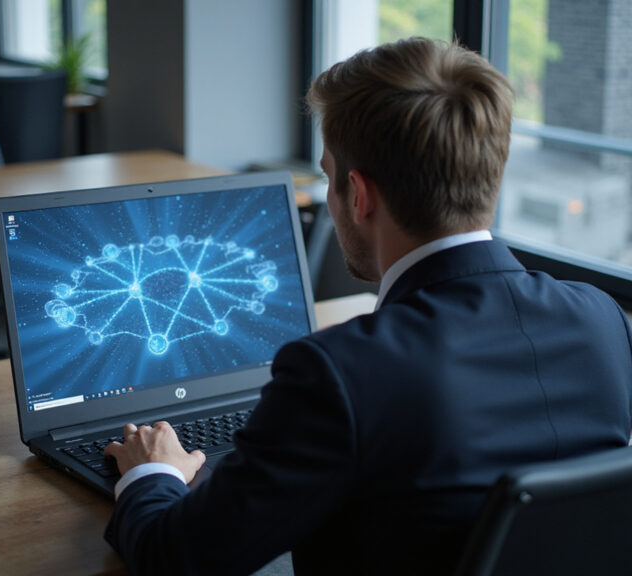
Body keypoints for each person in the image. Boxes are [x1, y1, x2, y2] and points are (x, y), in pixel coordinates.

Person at [104, 37, 632, 575]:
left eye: (330, 177)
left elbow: (174, 560)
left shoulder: (340, 374)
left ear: (358, 195)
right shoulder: (601, 320)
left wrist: (152, 474)